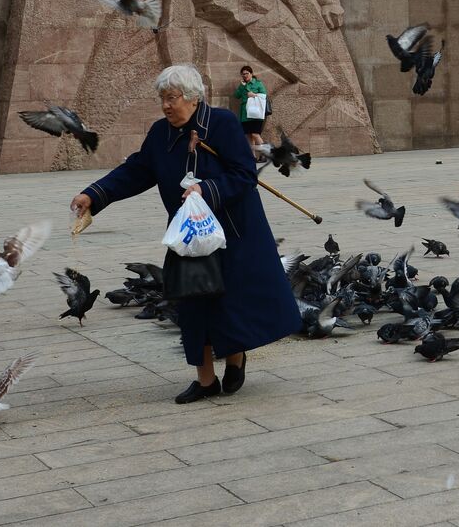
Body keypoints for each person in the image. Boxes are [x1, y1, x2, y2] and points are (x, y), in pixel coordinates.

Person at [68, 64, 302, 403]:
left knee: (230, 302)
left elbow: (243, 175)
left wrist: (206, 189)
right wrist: (94, 194)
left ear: (193, 98)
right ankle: (205, 381)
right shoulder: (161, 133)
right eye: (162, 98)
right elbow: (136, 170)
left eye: (172, 98)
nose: (165, 105)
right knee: (192, 304)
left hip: (233, 232)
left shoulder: (222, 124)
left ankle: (236, 357)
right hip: (188, 236)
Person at [232, 65, 268, 157]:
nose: (245, 75)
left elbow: (264, 96)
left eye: (247, 73)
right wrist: (241, 86)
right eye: (243, 74)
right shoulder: (242, 85)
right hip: (245, 114)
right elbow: (236, 96)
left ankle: (265, 154)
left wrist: (254, 95)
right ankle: (252, 157)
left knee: (255, 134)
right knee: (248, 136)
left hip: (256, 113)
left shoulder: (258, 83)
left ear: (251, 73)